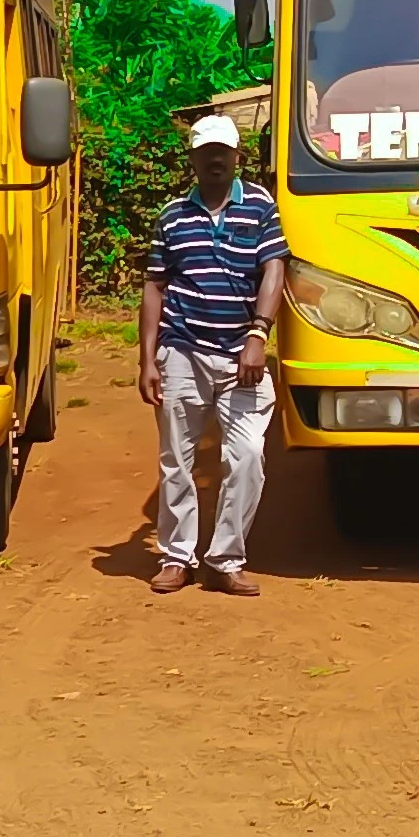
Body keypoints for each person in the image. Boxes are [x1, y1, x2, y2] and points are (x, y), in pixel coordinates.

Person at [138, 114, 287, 596]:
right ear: (194, 160)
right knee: (176, 461)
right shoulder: (172, 216)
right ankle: (177, 557)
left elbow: (273, 272)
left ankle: (225, 558)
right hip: (183, 351)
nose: (216, 160)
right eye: (207, 153)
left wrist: (258, 336)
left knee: (246, 456)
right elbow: (155, 286)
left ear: (238, 156)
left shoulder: (261, 207)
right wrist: (146, 360)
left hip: (243, 355)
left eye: (224, 151)